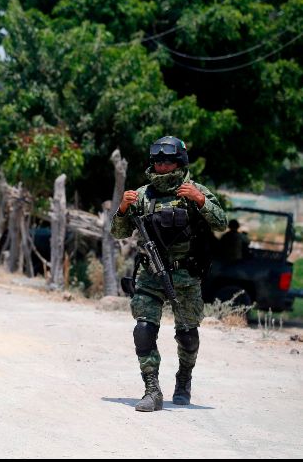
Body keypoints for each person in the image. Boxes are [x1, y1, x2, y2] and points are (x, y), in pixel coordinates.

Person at [111, 136, 227, 412]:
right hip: (150, 275)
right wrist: (123, 209)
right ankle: (152, 390)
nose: (163, 166)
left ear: (180, 162)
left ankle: (184, 380)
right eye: (158, 161)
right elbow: (118, 233)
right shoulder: (142, 195)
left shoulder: (194, 191)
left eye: (169, 161)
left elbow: (221, 223)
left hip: (186, 277)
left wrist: (200, 201)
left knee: (187, 336)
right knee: (143, 330)